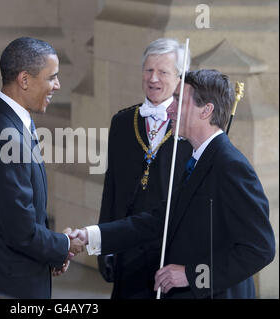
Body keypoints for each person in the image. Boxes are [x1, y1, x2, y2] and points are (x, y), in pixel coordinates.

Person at [71, 69, 275, 298]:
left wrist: (191, 275)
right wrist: (91, 236)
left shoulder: (230, 166)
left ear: (206, 110)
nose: (169, 109)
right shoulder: (197, 159)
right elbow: (160, 219)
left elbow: (260, 249)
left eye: (178, 100)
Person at [0, 37, 83, 299]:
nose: (57, 85)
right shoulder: (8, 134)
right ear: (24, 80)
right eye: (52, 77)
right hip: (8, 285)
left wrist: (52, 254)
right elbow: (21, 232)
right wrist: (64, 245)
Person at [97, 38, 192, 298]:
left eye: (163, 72)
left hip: (169, 248)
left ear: (179, 78)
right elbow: (111, 189)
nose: (153, 78)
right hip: (128, 244)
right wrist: (105, 244)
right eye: (148, 70)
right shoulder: (122, 122)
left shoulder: (191, 126)